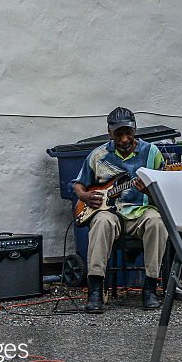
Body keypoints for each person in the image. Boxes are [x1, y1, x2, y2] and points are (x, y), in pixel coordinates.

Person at [72, 107, 167, 313]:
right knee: (101, 221)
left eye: (128, 133)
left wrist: (149, 191)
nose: (124, 139)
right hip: (111, 213)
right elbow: (78, 184)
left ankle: (150, 287)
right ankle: (95, 290)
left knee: (157, 221)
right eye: (118, 134)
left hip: (140, 211)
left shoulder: (152, 153)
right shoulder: (98, 155)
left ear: (135, 130)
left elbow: (164, 191)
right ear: (110, 133)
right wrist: (84, 196)